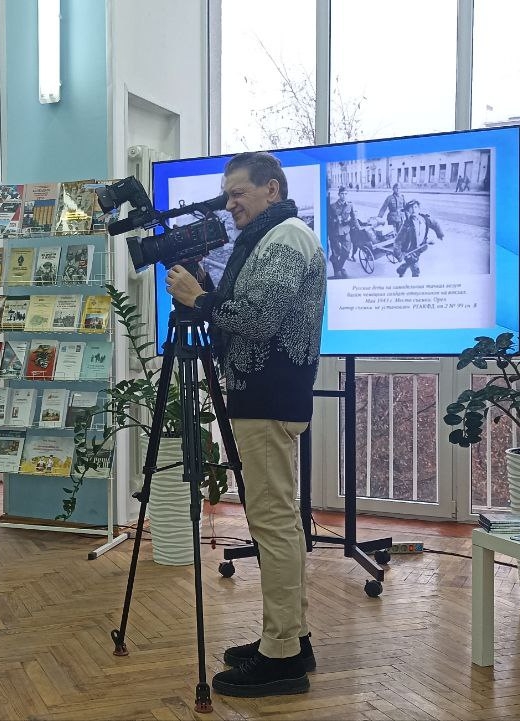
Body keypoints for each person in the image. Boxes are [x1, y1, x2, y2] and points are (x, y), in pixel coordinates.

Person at [165, 151, 326, 698]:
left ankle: (281, 657)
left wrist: (200, 299)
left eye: (238, 192)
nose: (229, 203)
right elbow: (247, 309)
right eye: (227, 193)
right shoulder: (269, 238)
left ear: (271, 189)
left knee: (272, 524)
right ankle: (291, 638)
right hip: (266, 396)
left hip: (267, 398)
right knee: (278, 521)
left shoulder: (285, 238)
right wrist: (207, 290)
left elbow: (257, 319)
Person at [392, 200, 428, 278]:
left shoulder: (422, 220)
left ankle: (402, 269)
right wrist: (399, 255)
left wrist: (425, 242)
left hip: (418, 248)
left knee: (412, 261)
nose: (414, 210)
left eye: (415, 207)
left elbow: (423, 232)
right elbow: (397, 241)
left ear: (419, 209)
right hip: (408, 251)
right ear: (408, 211)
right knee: (416, 270)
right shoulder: (407, 225)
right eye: (411, 208)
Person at [327, 186, 355, 278]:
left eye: (345, 194)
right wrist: (335, 220)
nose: (344, 195)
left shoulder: (350, 205)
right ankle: (338, 271)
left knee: (347, 251)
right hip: (335, 232)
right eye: (342, 194)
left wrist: (358, 227)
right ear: (339, 194)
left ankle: (338, 268)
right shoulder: (332, 206)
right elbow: (328, 220)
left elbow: (354, 218)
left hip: (345, 230)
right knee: (336, 252)